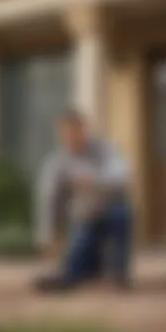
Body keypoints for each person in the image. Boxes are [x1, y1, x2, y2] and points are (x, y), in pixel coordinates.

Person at [34, 109, 132, 292]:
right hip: (85, 215)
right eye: (65, 133)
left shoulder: (106, 149)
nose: (70, 137)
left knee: (121, 215)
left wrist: (93, 180)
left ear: (83, 130)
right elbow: (48, 198)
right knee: (79, 250)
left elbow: (120, 177)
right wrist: (47, 234)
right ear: (60, 134)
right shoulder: (57, 162)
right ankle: (67, 277)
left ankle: (120, 275)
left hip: (112, 208)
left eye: (74, 131)